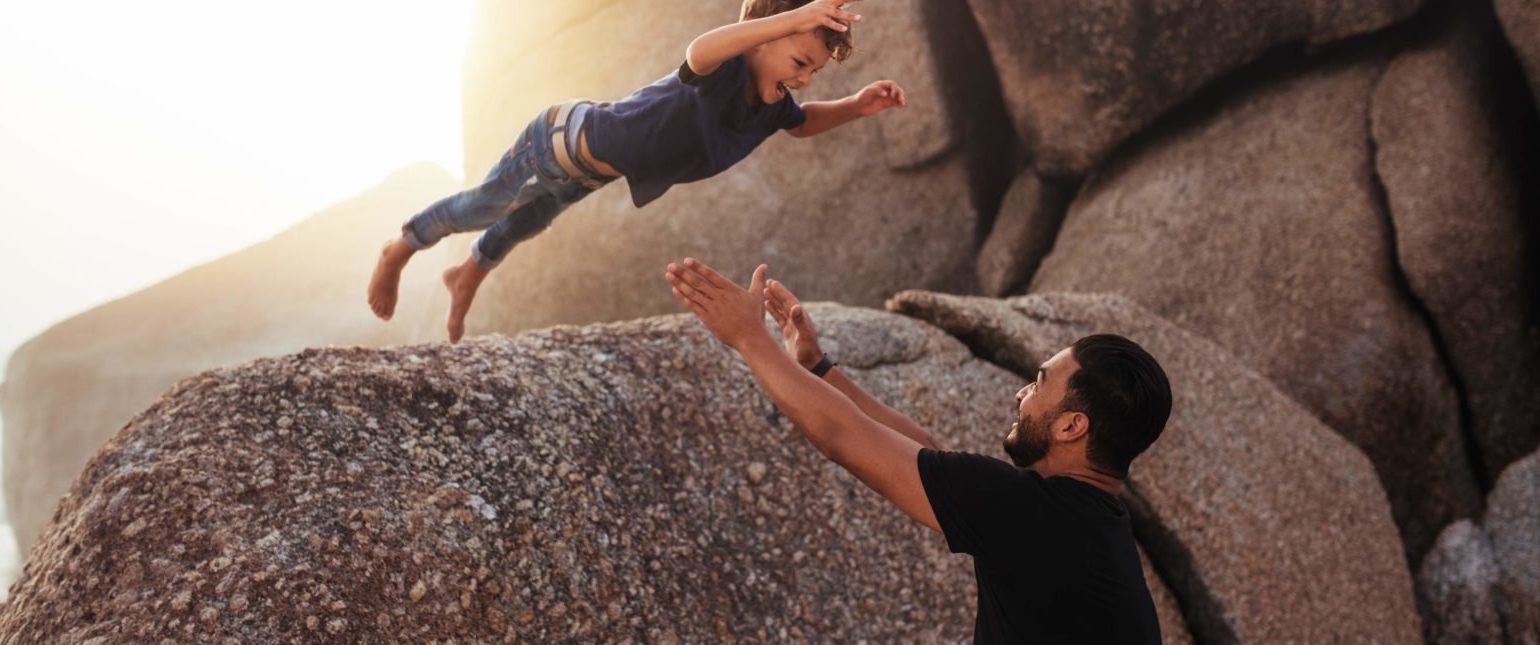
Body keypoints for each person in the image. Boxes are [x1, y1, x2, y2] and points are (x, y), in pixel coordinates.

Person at [663, 258, 1174, 643]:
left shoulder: (1035, 516)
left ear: (1071, 426)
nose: (1022, 393)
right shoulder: (1083, 521)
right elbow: (930, 453)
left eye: (1040, 383)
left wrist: (750, 339)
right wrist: (817, 367)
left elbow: (842, 436)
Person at [367, 0, 908, 342]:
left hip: (585, 172)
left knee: (526, 222)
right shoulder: (719, 71)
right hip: (555, 141)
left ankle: (467, 274)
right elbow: (701, 47)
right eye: (800, 63)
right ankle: (403, 245)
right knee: (485, 206)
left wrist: (857, 105)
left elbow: (803, 122)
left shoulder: (768, 106)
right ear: (764, 37)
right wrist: (794, 16)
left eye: (812, 70)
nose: (807, 80)